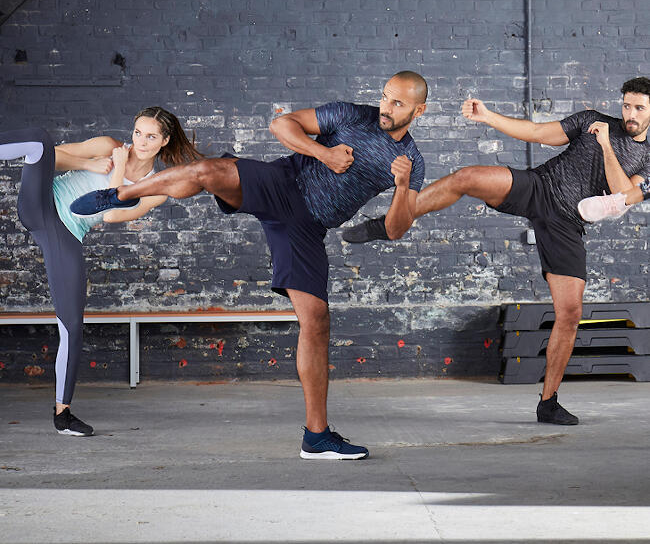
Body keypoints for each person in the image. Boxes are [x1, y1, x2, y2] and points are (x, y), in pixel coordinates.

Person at [70, 71, 428, 459]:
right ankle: (121, 193)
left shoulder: (412, 162)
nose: (386, 108)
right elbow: (282, 125)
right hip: (282, 182)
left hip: (306, 226)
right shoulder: (353, 115)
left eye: (398, 103)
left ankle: (317, 436)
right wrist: (324, 154)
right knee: (207, 172)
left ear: (419, 111)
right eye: (385, 97)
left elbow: (395, 229)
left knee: (316, 321)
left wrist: (402, 186)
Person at [342, 77, 650, 425]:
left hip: (568, 224)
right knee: (466, 177)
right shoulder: (592, 119)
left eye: (639, 108)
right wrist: (488, 116)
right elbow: (536, 132)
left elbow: (624, 194)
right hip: (539, 186)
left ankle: (548, 403)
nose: (630, 113)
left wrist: (606, 146)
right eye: (627, 105)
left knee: (569, 314)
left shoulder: (646, 159)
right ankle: (389, 224)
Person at [0, 107, 201, 436]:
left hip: (66, 232)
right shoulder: (108, 146)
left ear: (164, 141)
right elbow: (53, 157)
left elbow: (110, 215)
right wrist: (90, 164)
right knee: (38, 140)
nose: (140, 142)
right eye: (138, 133)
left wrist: (118, 170)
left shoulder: (154, 189)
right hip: (41, 204)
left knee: (72, 325)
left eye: (151, 136)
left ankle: (63, 415)